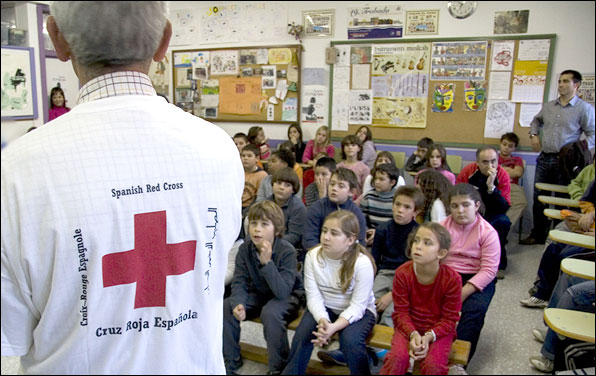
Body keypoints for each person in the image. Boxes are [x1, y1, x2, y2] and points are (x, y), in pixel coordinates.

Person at [0, 2, 244, 374]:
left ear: (57, 38)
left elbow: (11, 333)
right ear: (164, 41)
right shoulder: (220, 150)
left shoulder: (14, 171)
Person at [282, 210, 377, 375]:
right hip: (325, 308)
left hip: (359, 312)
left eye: (334, 233)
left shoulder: (362, 263)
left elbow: (358, 307)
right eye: (324, 231)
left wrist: (334, 328)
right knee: (303, 334)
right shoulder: (313, 256)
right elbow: (313, 296)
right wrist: (323, 321)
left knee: (351, 340)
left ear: (350, 240)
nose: (326, 237)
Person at [223, 201, 304, 375]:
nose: (257, 229)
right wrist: (238, 303)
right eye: (253, 223)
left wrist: (267, 263)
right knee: (227, 305)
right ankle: (231, 361)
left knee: (271, 313)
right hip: (259, 293)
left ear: (276, 228)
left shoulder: (287, 251)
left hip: (286, 296)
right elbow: (240, 281)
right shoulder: (245, 249)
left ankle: (278, 368)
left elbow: (282, 291)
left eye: (264, 224)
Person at [521, 70, 595, 245]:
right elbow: (536, 121)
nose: (561, 85)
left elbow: (593, 134)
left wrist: (580, 150)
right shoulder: (548, 106)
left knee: (563, 201)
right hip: (545, 158)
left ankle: (558, 236)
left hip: (566, 163)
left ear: (576, 85)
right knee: (539, 198)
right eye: (560, 81)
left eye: (565, 81)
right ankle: (538, 234)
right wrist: (534, 135)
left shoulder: (584, 108)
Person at [380, 223, 462, 375]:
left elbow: (450, 319)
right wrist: (413, 334)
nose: (417, 246)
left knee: (433, 366)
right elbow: (401, 313)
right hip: (408, 328)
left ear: (441, 253)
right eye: (416, 241)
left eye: (427, 243)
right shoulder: (402, 273)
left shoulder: (452, 279)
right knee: (396, 359)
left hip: (439, 331)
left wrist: (429, 336)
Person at [440, 184, 501, 373]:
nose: (459, 211)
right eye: (455, 206)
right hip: (446, 273)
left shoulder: (488, 232)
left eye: (465, 205)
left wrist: (463, 292)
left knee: (475, 310)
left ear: (476, 205)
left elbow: (489, 270)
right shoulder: (442, 227)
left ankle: (458, 364)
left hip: (477, 277)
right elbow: (433, 257)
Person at [520, 180, 594, 308]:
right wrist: (592, 214)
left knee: (566, 256)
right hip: (589, 230)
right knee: (553, 249)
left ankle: (555, 306)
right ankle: (542, 295)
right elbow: (585, 200)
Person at [457, 146, 511, 279]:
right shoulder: (468, 171)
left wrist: (491, 187)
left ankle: (499, 264)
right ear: (478, 163)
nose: (490, 165)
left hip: (494, 212)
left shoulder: (502, 174)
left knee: (503, 222)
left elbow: (504, 206)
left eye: (493, 161)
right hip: (471, 212)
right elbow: (457, 194)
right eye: (485, 162)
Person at [302, 168, 367, 250]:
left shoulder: (356, 213)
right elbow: (309, 240)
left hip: (347, 257)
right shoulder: (317, 208)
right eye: (332, 184)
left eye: (341, 186)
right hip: (320, 256)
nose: (334, 189)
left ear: (352, 192)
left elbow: (360, 242)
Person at [360, 163, 402, 245]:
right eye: (376, 179)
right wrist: (366, 232)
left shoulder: (398, 199)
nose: (377, 182)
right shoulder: (368, 197)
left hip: (391, 236)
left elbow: (398, 224)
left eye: (381, 179)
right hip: (370, 235)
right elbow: (362, 219)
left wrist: (379, 233)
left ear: (392, 182)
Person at [267, 167, 307, 251]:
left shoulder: (298, 208)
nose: (281, 187)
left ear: (293, 189)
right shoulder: (266, 203)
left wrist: (271, 242)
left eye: (287, 185)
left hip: (288, 249)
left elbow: (294, 236)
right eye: (278, 183)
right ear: (272, 184)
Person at [498, 132, 527, 228]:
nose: (506, 148)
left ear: (514, 148)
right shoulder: (493, 157)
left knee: (521, 203)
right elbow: (490, 171)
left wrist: (501, 170)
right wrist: (510, 171)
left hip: (512, 186)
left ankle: (503, 228)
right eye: (504, 144)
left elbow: (518, 173)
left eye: (510, 146)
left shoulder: (517, 160)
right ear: (500, 144)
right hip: (496, 185)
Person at [337, 134, 371, 198]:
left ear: (359, 148)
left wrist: (356, 203)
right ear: (343, 148)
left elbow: (366, 191)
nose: (350, 147)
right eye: (347, 145)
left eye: (353, 145)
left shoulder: (364, 169)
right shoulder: (338, 167)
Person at [242, 144, 268, 216]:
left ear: (257, 158)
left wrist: (244, 214)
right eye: (243, 156)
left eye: (249, 156)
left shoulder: (262, 175)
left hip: (252, 209)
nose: (245, 158)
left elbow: (258, 199)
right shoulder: (238, 172)